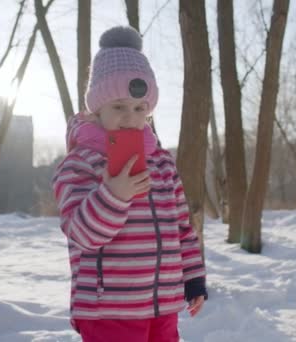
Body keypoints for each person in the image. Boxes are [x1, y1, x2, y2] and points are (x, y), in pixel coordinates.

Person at [52, 26, 207, 342]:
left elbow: (181, 228)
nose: (130, 118)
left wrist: (192, 278)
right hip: (108, 309)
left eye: (140, 109)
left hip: (162, 305)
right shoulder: (80, 163)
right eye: (118, 107)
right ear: (97, 108)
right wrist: (113, 195)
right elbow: (80, 232)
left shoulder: (162, 163)